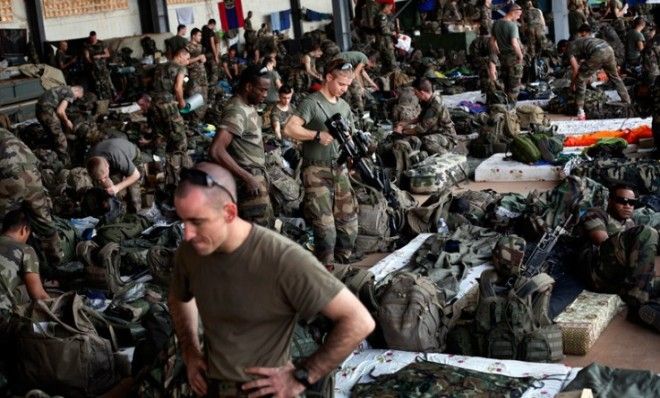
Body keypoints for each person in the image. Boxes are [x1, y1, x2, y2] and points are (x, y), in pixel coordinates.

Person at [169, 162, 375, 396]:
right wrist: (190, 351)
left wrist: (303, 376)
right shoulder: (190, 251)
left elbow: (359, 321)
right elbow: (179, 297)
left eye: (197, 221)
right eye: (183, 221)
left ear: (229, 212)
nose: (187, 233)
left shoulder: (282, 258)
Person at [284, 58, 360, 266]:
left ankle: (342, 266)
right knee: (325, 229)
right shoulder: (312, 102)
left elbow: (350, 136)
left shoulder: (344, 106)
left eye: (347, 85)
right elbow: (289, 128)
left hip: (340, 170)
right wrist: (316, 135)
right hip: (316, 171)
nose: (344, 89)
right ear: (328, 77)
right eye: (341, 84)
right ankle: (325, 270)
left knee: (349, 225)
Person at [578, 183, 659, 332]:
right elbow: (602, 244)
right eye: (622, 201)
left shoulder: (629, 223)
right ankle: (637, 303)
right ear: (610, 200)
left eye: (632, 203)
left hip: (620, 278)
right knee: (648, 233)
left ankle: (649, 310)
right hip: (598, 271)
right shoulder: (596, 214)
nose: (628, 206)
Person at [208, 66, 274, 228]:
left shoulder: (249, 105)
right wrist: (248, 178)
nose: (265, 95)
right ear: (248, 87)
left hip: (257, 177)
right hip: (249, 181)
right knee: (257, 238)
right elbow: (216, 150)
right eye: (262, 90)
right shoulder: (236, 110)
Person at [0, 128, 61, 267]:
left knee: (4, 224)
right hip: (29, 167)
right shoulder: (3, 131)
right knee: (42, 218)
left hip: (7, 173)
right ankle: (56, 260)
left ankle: (8, 269)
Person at [569, 24, 631, 121]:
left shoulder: (569, 49)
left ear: (563, 47)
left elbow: (576, 68)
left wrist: (572, 85)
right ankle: (627, 100)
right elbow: (587, 63)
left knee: (581, 80)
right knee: (614, 77)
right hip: (608, 49)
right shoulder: (583, 42)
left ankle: (580, 110)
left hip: (598, 52)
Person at [148, 47, 191, 184]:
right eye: (187, 58)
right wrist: (182, 102)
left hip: (154, 105)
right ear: (180, 56)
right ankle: (179, 175)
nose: (188, 61)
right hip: (168, 105)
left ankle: (159, 171)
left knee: (159, 138)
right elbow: (178, 88)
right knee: (180, 139)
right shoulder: (180, 68)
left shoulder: (159, 67)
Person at [393, 77, 461, 155]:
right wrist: (404, 123)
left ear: (422, 93)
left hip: (447, 137)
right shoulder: (428, 101)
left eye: (416, 93)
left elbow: (421, 128)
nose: (415, 95)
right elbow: (419, 118)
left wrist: (402, 131)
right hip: (434, 132)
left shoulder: (435, 104)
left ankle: (446, 156)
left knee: (427, 140)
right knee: (413, 136)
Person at [86, 138, 142, 213]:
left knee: (133, 197)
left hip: (133, 158)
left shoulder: (117, 157)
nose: (103, 181)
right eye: (100, 179)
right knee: (113, 192)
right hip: (113, 161)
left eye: (105, 177)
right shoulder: (89, 162)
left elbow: (136, 175)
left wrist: (117, 187)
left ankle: (136, 214)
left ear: (107, 167)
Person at [35, 85, 84, 165]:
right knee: (60, 138)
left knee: (52, 136)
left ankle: (52, 157)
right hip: (47, 110)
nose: (75, 100)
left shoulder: (63, 88)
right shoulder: (70, 93)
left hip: (40, 109)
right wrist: (67, 121)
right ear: (77, 91)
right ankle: (66, 164)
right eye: (77, 97)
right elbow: (60, 111)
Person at [490, 1, 524, 105]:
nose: (518, 18)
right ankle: (511, 112)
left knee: (505, 84)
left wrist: (498, 51)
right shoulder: (512, 26)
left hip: (503, 59)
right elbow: (514, 43)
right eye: (518, 15)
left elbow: (492, 41)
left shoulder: (496, 23)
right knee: (514, 87)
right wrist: (520, 55)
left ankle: (505, 109)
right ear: (513, 12)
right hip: (513, 59)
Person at [83, 31, 115, 100]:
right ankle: (102, 99)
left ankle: (111, 98)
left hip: (102, 67)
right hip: (94, 68)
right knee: (98, 84)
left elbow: (108, 54)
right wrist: (92, 62)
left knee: (107, 83)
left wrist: (100, 56)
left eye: (94, 38)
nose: (93, 39)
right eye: (92, 38)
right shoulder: (87, 45)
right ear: (90, 37)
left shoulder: (101, 43)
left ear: (96, 36)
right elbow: (87, 56)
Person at [185, 28, 209, 122]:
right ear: (193, 36)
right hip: (194, 77)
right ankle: (194, 121)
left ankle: (201, 120)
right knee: (195, 98)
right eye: (199, 35)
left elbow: (202, 58)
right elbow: (185, 62)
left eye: (201, 35)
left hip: (202, 75)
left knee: (204, 98)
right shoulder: (187, 47)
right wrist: (198, 58)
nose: (200, 37)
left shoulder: (199, 46)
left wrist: (203, 59)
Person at [374, 0, 397, 73]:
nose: (390, 9)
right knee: (392, 64)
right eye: (390, 7)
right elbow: (383, 30)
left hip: (382, 43)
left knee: (385, 64)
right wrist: (392, 33)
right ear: (387, 6)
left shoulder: (378, 15)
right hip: (385, 43)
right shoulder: (382, 16)